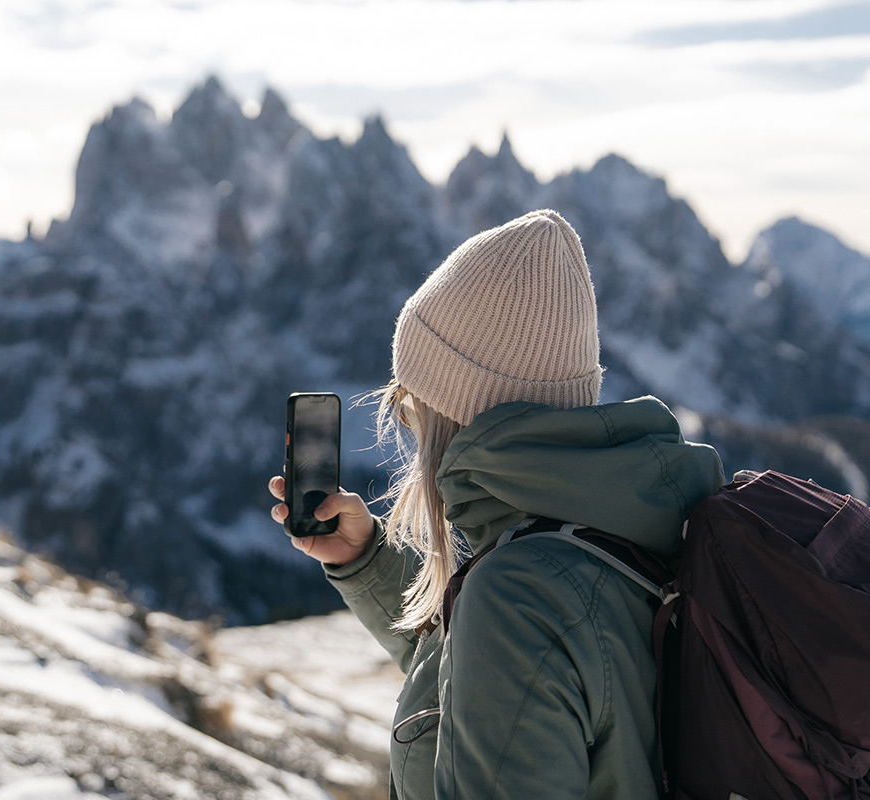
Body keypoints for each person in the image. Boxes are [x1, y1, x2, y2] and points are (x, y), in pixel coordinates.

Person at [268, 209, 724, 800]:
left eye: (410, 402)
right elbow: (506, 683)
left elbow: (514, 660)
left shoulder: (519, 597)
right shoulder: (638, 517)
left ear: (453, 409)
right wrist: (368, 560)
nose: (405, 422)